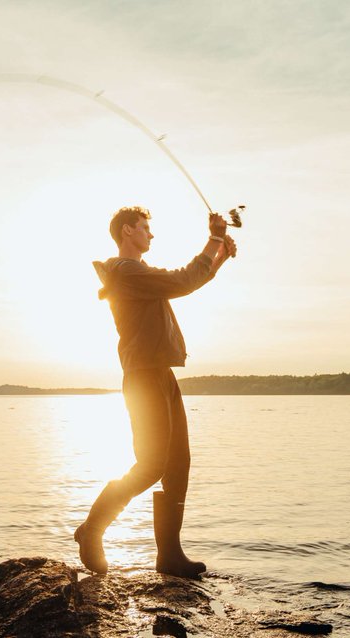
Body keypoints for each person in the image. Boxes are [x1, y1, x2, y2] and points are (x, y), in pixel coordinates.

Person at [75, 205, 236, 578]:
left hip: (161, 374)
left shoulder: (139, 274)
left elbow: (187, 281)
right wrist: (214, 239)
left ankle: (170, 556)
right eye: (145, 228)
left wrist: (220, 257)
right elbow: (183, 280)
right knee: (151, 464)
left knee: (178, 464)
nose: (151, 234)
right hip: (143, 376)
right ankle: (91, 529)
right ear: (127, 231)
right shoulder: (126, 271)